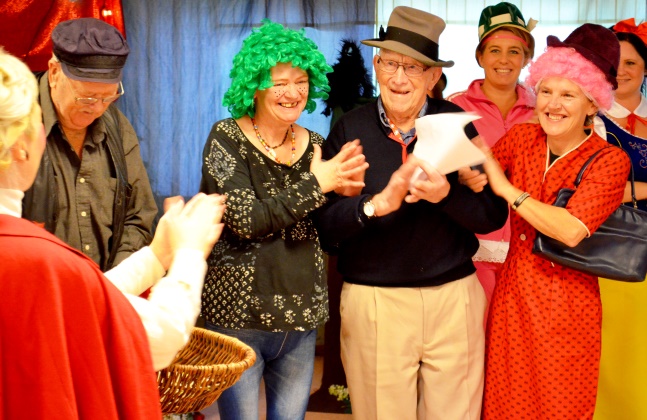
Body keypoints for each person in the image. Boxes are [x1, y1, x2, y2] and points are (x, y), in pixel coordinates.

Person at [0, 48, 222, 418]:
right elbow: (162, 337)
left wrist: (155, 256)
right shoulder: (38, 259)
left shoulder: (43, 263)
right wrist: (189, 254)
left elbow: (79, 301)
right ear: (21, 146)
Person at [313, 7, 509, 419]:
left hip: (453, 298)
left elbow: (492, 215)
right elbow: (325, 229)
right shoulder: (350, 128)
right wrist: (371, 206)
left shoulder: (456, 123)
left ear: (433, 77)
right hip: (375, 300)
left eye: (413, 68)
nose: (398, 78)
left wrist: (446, 196)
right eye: (390, 64)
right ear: (376, 65)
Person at [199, 20, 368, 420]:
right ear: (255, 85)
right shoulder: (226, 137)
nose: (293, 93)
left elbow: (327, 233)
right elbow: (245, 220)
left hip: (301, 316)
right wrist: (318, 185)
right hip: (238, 317)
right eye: (279, 82)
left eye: (301, 81)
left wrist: (346, 199)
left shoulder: (317, 145)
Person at [470, 24, 630, 419]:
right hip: (512, 300)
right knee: (504, 406)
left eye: (568, 95)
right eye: (546, 91)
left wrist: (507, 189)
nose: (553, 105)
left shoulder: (610, 160)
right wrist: (465, 166)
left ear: (592, 105)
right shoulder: (522, 139)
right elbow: (477, 174)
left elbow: (571, 229)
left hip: (569, 310)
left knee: (560, 408)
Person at [22, 17, 157, 271]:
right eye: (87, 97)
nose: (97, 109)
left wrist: (115, 280)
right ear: (54, 73)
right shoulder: (15, 123)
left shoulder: (116, 126)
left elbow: (138, 216)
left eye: (108, 97)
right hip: (39, 286)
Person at [447, 2, 537, 303]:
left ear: (526, 57)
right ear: (480, 56)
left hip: (529, 246)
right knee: (474, 331)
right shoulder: (455, 106)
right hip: (471, 245)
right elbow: (437, 168)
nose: (504, 60)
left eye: (515, 51)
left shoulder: (545, 109)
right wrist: (461, 174)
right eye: (495, 50)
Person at [593, 18, 647, 420]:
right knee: (615, 350)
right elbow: (590, 191)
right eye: (615, 63)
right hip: (614, 251)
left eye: (631, 63)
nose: (622, 72)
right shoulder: (591, 120)